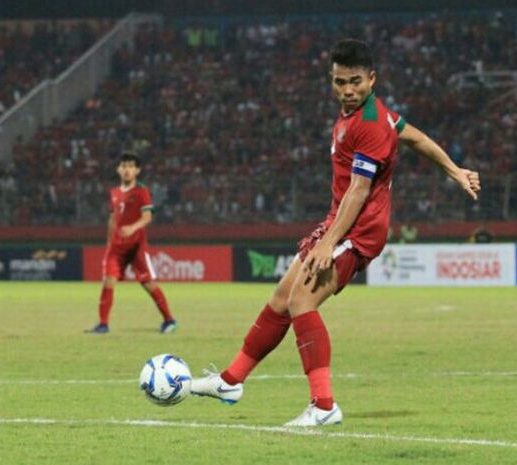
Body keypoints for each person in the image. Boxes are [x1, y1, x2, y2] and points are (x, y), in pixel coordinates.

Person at [191, 39, 481, 425]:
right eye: (339, 82)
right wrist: (454, 170)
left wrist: (329, 243)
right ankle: (230, 381)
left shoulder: (371, 124)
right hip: (338, 224)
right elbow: (415, 137)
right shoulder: (377, 116)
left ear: (372, 79)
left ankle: (324, 406)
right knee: (281, 298)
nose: (347, 90)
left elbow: (359, 191)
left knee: (302, 303)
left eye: (355, 81)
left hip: (358, 232)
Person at [85, 152, 177, 334]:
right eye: (124, 166)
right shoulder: (114, 193)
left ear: (137, 170)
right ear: (118, 169)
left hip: (136, 247)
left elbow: (147, 216)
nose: (127, 170)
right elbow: (112, 218)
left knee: (147, 283)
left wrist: (132, 228)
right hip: (116, 247)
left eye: (130, 166)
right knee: (108, 281)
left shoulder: (141, 191)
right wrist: (109, 240)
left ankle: (169, 320)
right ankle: (103, 324)